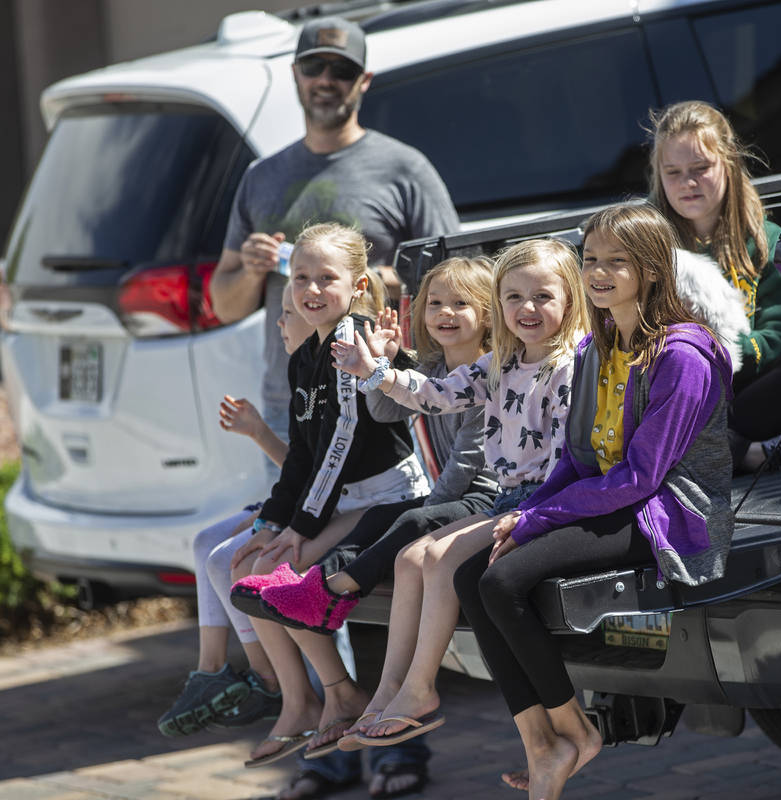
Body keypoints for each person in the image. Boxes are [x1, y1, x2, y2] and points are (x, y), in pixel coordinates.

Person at [206, 14, 460, 797]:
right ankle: (330, 735)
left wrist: (382, 339)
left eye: (340, 72)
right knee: (259, 565)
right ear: (296, 75)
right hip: (305, 414)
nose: (326, 81)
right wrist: (253, 274)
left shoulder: (403, 167)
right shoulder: (262, 178)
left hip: (372, 443)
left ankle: (387, 743)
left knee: (301, 574)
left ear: (362, 83)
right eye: (315, 67)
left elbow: (455, 276)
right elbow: (222, 299)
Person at [453, 203, 734, 800]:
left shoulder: (682, 356)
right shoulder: (597, 348)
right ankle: (540, 741)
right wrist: (526, 514)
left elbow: (641, 477)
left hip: (664, 514)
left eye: (616, 262)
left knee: (502, 584)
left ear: (653, 269)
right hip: (607, 499)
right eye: (590, 260)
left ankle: (576, 732)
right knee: (470, 575)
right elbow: (580, 459)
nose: (598, 273)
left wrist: (536, 520)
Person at [240, 257, 501, 797]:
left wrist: (380, 371)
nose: (445, 314)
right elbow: (387, 412)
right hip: (434, 500)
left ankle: (327, 592)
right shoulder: (428, 364)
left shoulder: (489, 371)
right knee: (392, 520)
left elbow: (466, 467)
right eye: (434, 304)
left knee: (407, 521)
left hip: (484, 499)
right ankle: (323, 600)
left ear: (488, 313)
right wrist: (382, 365)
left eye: (460, 304)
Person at [317, 238, 589, 750]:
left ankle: (419, 690)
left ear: (570, 300)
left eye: (541, 297)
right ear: (500, 305)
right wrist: (373, 371)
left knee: (439, 559)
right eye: (513, 297)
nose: (526, 309)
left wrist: (530, 516)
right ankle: (387, 693)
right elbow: (434, 395)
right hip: (509, 501)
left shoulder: (570, 365)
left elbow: (568, 459)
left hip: (538, 504)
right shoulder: (501, 364)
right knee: (409, 558)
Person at [228, 224, 430, 786]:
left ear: (359, 284)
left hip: (393, 498)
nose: (310, 289)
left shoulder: (351, 338)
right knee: (248, 569)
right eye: (299, 278)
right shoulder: (306, 352)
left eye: (326, 278)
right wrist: (275, 521)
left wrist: (301, 527)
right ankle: (305, 701)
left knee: (277, 573)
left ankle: (339, 696)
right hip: (344, 501)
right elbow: (303, 456)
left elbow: (342, 442)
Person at [157, 283, 314, 740]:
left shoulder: (326, 376)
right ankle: (210, 669)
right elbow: (302, 468)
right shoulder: (302, 372)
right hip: (299, 495)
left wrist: (259, 435)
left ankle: (271, 682)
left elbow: (321, 474)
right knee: (207, 542)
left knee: (227, 559)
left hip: (324, 504)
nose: (280, 323)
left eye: (288, 313)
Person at [648, 100, 781, 473]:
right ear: (659, 175)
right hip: (674, 392)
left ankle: (732, 451)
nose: (687, 182)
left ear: (728, 165)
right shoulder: (650, 248)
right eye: (674, 172)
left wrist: (718, 353)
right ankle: (740, 456)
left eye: (701, 168)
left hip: (743, 387)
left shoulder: (765, 241)